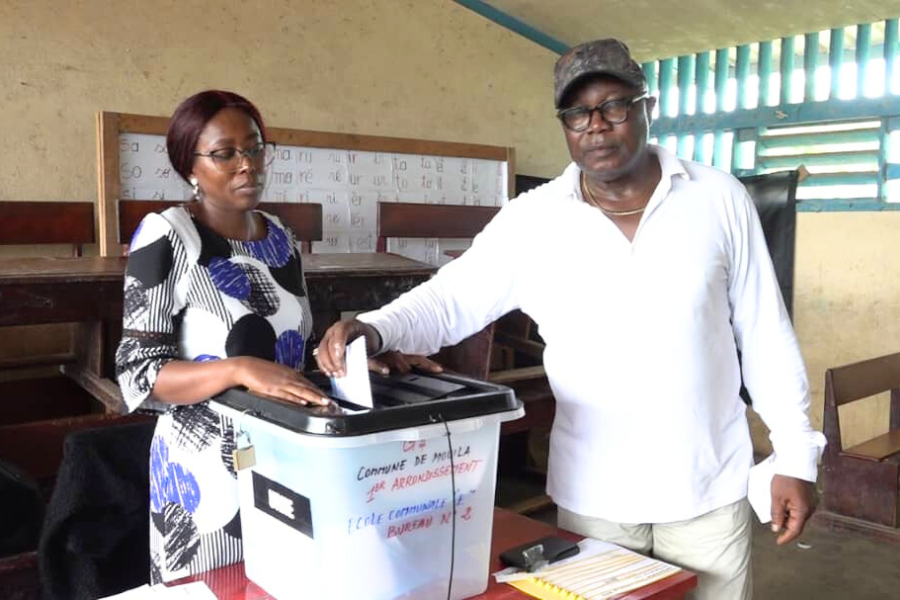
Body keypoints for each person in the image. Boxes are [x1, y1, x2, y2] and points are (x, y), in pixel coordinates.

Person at [315, 39, 826, 600]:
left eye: (614, 105)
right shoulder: (533, 219)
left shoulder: (717, 198)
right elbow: (451, 299)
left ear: (645, 106)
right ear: (564, 124)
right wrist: (376, 326)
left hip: (707, 487)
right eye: (578, 113)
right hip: (595, 496)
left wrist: (795, 454)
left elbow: (764, 334)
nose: (597, 126)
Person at [115, 90, 436, 583]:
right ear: (190, 167)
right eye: (225, 154)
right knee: (220, 588)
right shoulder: (168, 235)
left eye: (255, 148)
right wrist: (239, 370)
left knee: (289, 582)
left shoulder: (279, 236)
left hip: (285, 454)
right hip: (204, 474)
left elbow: (288, 351)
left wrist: (342, 361)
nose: (247, 165)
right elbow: (138, 374)